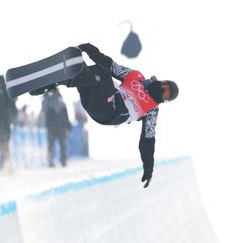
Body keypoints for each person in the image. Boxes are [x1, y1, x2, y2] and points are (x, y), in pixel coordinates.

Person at [39, 43, 179, 188]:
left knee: (102, 74)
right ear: (163, 81)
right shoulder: (136, 77)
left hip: (109, 112)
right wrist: (90, 49)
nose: (163, 89)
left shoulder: (152, 110)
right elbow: (110, 65)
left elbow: (147, 141)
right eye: (166, 85)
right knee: (80, 68)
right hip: (94, 99)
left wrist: (148, 168)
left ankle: (54, 80)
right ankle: (47, 84)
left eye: (166, 93)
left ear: (165, 100)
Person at [42, 88, 71, 167]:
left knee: (51, 146)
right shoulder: (62, 103)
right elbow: (66, 117)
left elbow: (44, 110)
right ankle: (62, 161)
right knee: (62, 145)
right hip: (60, 128)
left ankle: (51, 161)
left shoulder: (48, 103)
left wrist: (45, 96)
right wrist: (68, 127)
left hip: (52, 128)